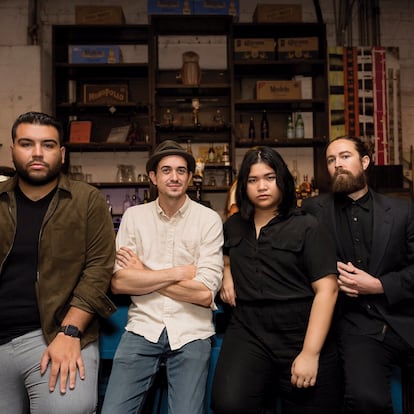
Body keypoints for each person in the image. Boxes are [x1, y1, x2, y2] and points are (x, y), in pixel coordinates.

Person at [0, 111, 116, 413]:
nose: (37, 153)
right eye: (27, 144)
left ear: (61, 153)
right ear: (12, 149)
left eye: (48, 145)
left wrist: (70, 332)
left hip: (55, 335)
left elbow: (98, 270)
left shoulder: (87, 200)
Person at [211, 146, 341, 414]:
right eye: (253, 179)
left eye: (270, 178)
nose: (262, 186)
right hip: (248, 329)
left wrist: (310, 353)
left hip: (300, 331)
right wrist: (226, 273)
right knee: (228, 405)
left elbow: (327, 290)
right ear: (243, 186)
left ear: (282, 180)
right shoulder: (233, 226)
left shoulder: (308, 226)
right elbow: (225, 254)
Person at [101, 140, 224, 414]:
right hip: (143, 327)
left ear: (190, 178)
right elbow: (119, 283)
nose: (174, 177)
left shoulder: (209, 219)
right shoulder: (134, 217)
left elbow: (204, 294)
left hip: (192, 331)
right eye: (166, 170)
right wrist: (179, 273)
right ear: (154, 178)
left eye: (182, 171)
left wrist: (143, 274)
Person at [301, 135, 414, 413]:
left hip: (404, 316)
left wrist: (379, 285)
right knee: (366, 400)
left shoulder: (402, 211)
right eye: (331, 160)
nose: (337, 164)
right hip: (356, 324)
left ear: (364, 162)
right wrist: (329, 276)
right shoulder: (312, 211)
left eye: (344, 156)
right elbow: (298, 261)